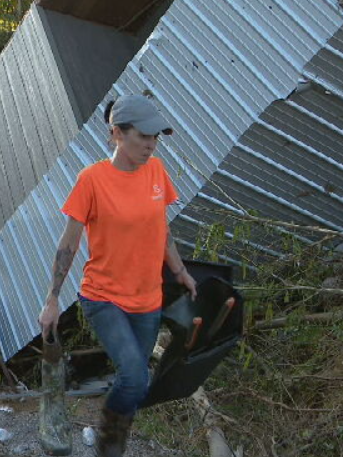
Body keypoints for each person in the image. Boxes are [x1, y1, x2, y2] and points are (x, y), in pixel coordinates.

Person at [38, 95, 197, 457]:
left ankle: (111, 442)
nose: (151, 145)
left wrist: (181, 271)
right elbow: (68, 244)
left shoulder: (156, 171)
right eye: (144, 137)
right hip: (104, 297)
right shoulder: (92, 180)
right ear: (117, 134)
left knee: (137, 386)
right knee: (135, 376)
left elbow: (162, 229)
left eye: (155, 138)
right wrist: (51, 299)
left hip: (148, 300)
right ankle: (108, 447)